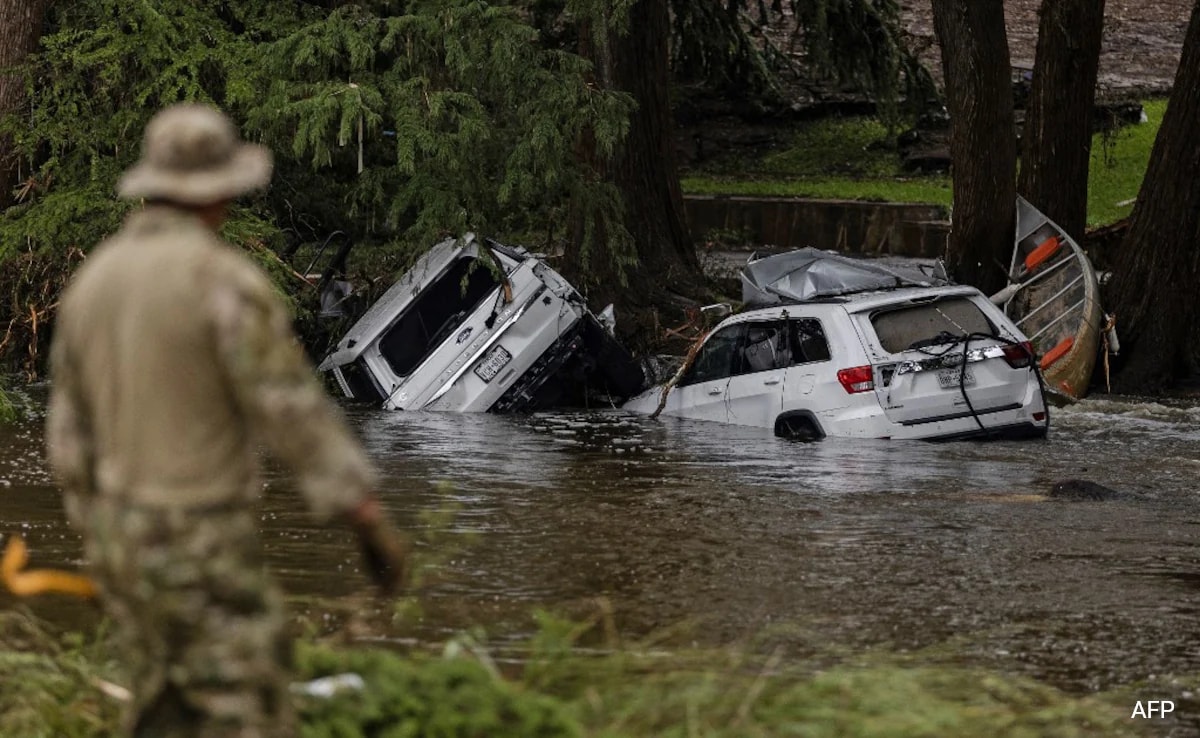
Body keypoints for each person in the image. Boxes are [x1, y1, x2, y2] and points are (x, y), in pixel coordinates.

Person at [45, 103, 410, 738]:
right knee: (249, 705)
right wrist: (364, 513)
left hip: (117, 538)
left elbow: (66, 436)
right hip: (200, 535)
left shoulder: (92, 282)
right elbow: (289, 409)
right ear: (219, 193)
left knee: (162, 704)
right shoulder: (221, 281)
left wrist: (99, 528)